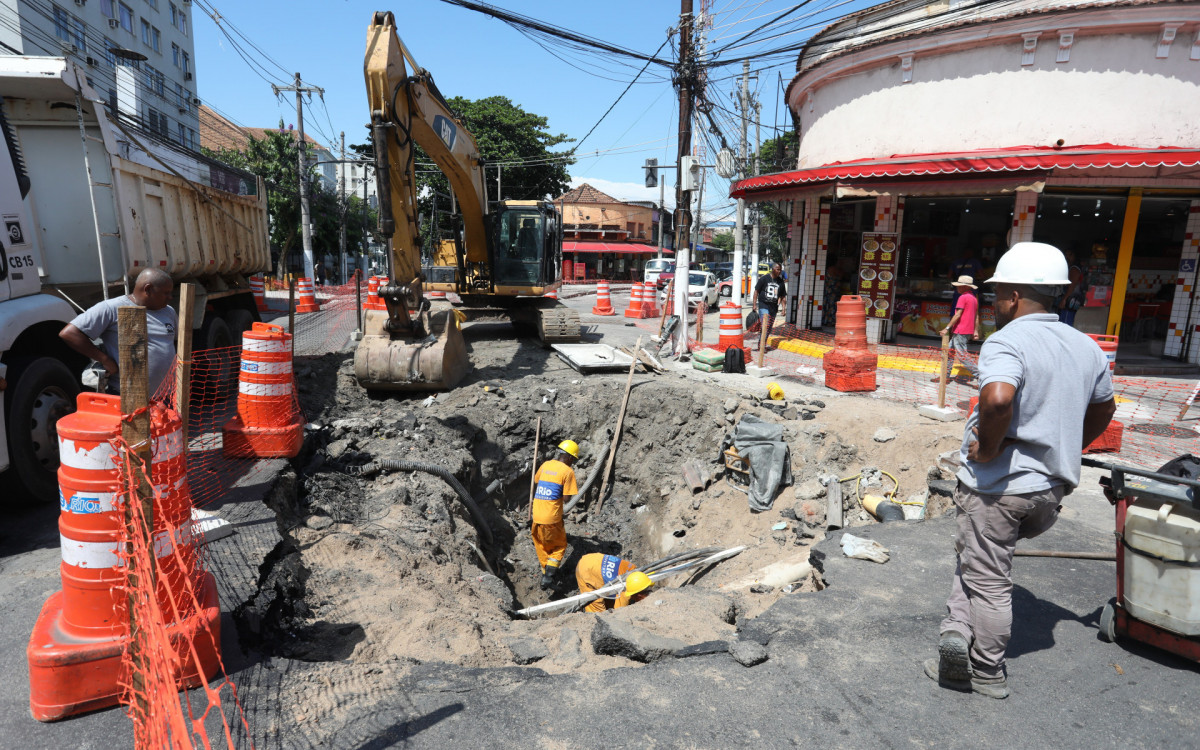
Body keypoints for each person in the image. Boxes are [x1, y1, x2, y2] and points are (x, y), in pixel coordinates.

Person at [923, 241, 1115, 700]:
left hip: (1001, 488)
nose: (993, 305)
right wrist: (1066, 445)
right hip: (1049, 488)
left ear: (1012, 297)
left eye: (996, 297)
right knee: (977, 555)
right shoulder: (1086, 346)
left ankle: (986, 670)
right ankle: (956, 627)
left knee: (989, 577)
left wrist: (988, 450)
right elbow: (1104, 409)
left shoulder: (1008, 340)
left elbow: (998, 400)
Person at [59, 268, 177, 396]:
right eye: (166, 293)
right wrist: (105, 359)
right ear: (148, 289)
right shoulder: (112, 308)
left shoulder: (168, 311)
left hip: (166, 395)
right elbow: (70, 333)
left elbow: (173, 344)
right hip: (129, 397)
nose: (170, 297)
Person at [531, 439, 580, 589]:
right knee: (559, 546)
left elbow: (537, 481)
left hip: (537, 515)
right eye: (574, 460)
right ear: (570, 458)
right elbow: (566, 499)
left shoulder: (546, 465)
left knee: (542, 545)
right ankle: (548, 578)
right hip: (551, 518)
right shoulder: (567, 471)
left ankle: (546, 573)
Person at [934, 276, 981, 384]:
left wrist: (946, 328)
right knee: (949, 352)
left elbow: (957, 315)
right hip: (965, 330)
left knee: (962, 355)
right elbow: (976, 316)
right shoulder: (974, 298)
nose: (957, 288)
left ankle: (981, 377)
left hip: (961, 330)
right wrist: (975, 330)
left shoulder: (963, 297)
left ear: (964, 287)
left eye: (959, 286)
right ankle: (945, 376)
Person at [575, 553, 653, 613]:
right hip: (586, 571)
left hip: (592, 559)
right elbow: (618, 613)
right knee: (597, 610)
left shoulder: (633, 569)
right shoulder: (624, 592)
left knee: (610, 598)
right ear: (639, 596)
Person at [751, 262, 787, 345]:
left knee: (769, 327)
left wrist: (784, 309)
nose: (779, 271)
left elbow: (783, 296)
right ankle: (762, 344)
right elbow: (756, 291)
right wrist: (754, 305)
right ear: (773, 269)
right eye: (778, 269)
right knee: (766, 324)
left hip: (774, 308)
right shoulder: (764, 279)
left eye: (780, 270)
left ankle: (762, 343)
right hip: (764, 305)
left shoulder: (780, 282)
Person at [1057, 249, 1085, 326]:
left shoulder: (1074, 269)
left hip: (1071, 300)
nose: (1067, 257)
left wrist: (1064, 299)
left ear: (1075, 256)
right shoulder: (1072, 268)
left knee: (1066, 322)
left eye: (1070, 255)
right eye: (1066, 255)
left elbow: (1071, 286)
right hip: (1072, 300)